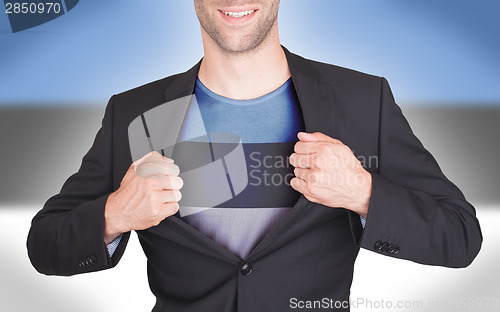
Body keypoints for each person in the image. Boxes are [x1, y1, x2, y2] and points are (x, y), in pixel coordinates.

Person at [27, 1, 482, 311]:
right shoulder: (135, 113)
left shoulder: (363, 100)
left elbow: (460, 236)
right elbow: (45, 245)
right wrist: (114, 214)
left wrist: (363, 192)